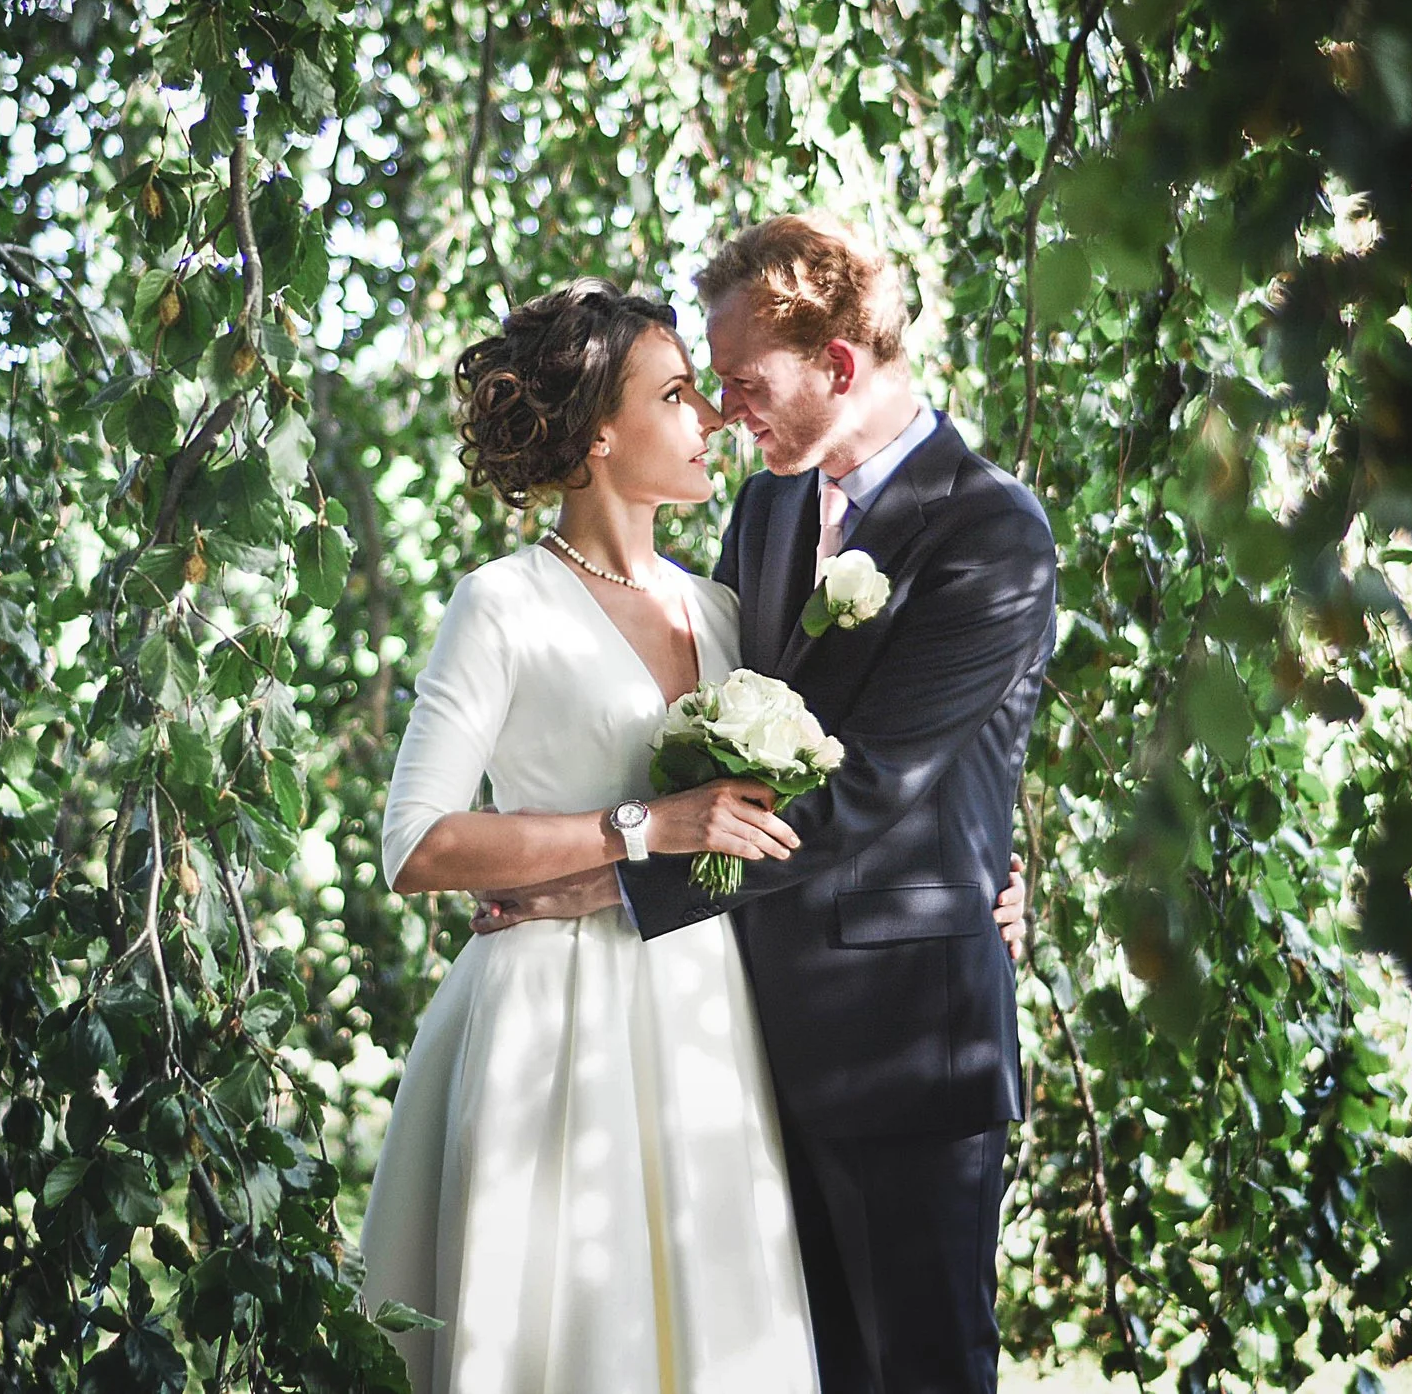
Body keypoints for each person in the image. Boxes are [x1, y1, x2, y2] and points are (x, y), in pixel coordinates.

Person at [477, 215, 1058, 1394]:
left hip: (909, 1044)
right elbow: (706, 745)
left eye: (743, 382)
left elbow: (862, 791)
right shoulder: (769, 512)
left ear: (839, 365)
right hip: (747, 1039)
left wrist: (596, 885)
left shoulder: (992, 531)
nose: (724, 410)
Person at [357, 280, 821, 1394]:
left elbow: (804, 814)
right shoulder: (501, 603)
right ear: (598, 434)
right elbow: (414, 842)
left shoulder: (721, 611)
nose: (709, 417)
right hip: (548, 1021)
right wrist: (635, 827)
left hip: (705, 1016)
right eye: (674, 394)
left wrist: (983, 873)